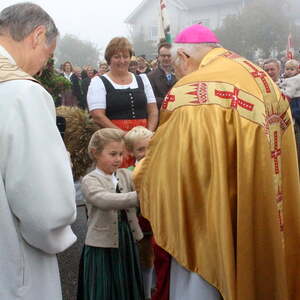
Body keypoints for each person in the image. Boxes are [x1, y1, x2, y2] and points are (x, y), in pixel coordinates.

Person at [134, 24, 300, 300]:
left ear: (185, 56)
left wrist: (141, 172)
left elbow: (174, 167)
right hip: (261, 200)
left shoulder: (192, 91)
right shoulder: (259, 75)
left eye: (176, 65)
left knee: (199, 284)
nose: (177, 73)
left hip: (209, 217)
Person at [0, 3, 77, 300]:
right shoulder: (22, 94)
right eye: (48, 53)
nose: (45, 66)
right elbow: (44, 208)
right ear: (37, 35)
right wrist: (57, 233)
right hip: (13, 269)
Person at [78, 128, 144, 300]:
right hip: (101, 245)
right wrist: (140, 197)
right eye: (112, 154)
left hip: (126, 239)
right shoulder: (90, 180)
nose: (118, 159)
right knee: (104, 289)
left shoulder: (125, 174)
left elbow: (145, 181)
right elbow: (104, 200)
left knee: (126, 286)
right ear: (95, 153)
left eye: (121, 154)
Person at [87, 37, 158, 167]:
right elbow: (97, 115)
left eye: (126, 56)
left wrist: (148, 135)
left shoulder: (143, 79)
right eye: (117, 57)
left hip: (144, 143)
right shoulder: (99, 82)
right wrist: (124, 136)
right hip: (115, 142)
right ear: (109, 59)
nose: (122, 61)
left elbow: (153, 111)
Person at [124, 126, 154, 300]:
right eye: (141, 149)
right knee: (145, 257)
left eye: (150, 147)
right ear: (131, 152)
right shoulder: (129, 173)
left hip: (161, 221)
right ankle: (145, 292)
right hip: (142, 222)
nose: (146, 152)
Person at [148, 42, 177, 109]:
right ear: (158, 57)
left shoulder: (179, 75)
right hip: (160, 115)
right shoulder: (151, 76)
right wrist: (170, 101)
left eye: (169, 56)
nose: (166, 58)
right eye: (163, 56)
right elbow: (151, 98)